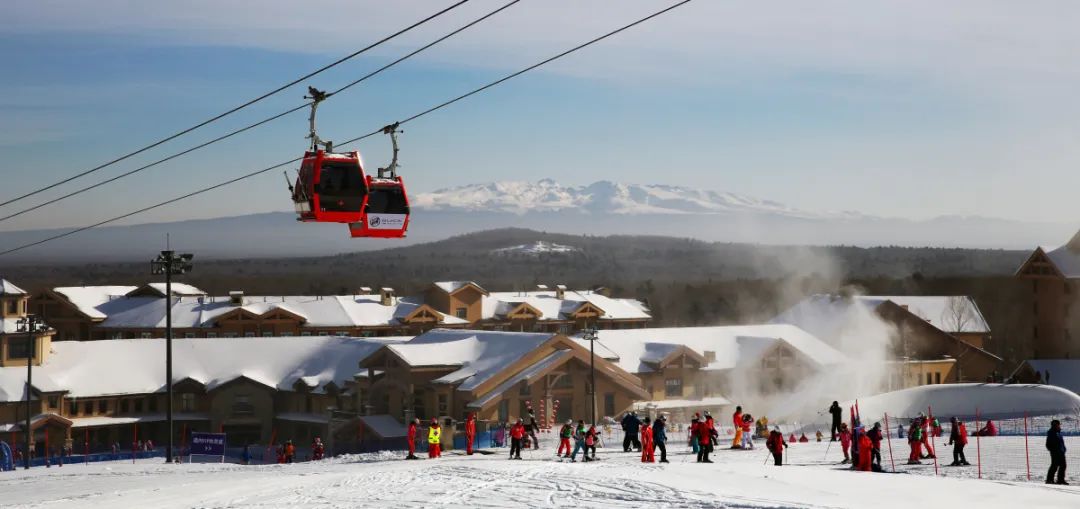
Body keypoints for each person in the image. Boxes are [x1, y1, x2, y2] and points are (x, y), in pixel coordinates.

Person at [1046, 419, 1068, 485]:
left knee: (1063, 466)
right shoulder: (1051, 432)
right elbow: (1048, 444)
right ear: (1055, 425)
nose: (1059, 425)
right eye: (1058, 424)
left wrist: (1063, 449)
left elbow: (1061, 442)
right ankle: (1049, 480)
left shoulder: (1058, 432)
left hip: (1061, 452)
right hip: (1055, 452)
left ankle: (1060, 480)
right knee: (1054, 466)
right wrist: (1054, 450)